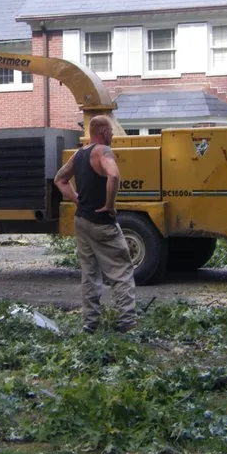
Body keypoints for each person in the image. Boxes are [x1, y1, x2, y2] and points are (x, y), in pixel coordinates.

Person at [53, 114, 137, 334]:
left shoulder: (79, 153)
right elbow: (114, 175)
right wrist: (109, 205)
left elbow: (59, 179)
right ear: (103, 132)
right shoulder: (103, 151)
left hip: (82, 221)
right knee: (121, 270)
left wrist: (77, 200)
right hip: (102, 223)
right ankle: (127, 321)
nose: (112, 135)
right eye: (111, 131)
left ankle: (90, 322)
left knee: (89, 273)